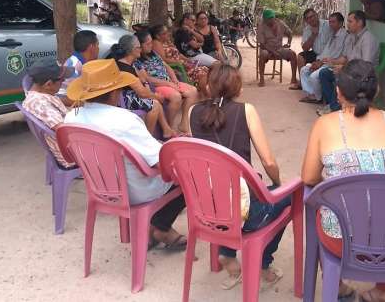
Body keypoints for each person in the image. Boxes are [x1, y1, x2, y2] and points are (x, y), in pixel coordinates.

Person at [301, 60, 385, 302]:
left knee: (321, 208)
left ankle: (339, 288)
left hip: (340, 243)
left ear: (338, 92)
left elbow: (309, 177)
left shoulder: (324, 125)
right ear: (378, 90)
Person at [65, 59, 187, 249]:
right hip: (136, 189)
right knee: (187, 175)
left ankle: (157, 228)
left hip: (100, 187)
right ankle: (160, 227)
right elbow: (159, 163)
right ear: (115, 92)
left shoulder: (71, 117)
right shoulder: (124, 120)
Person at [188, 64, 288, 290]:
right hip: (245, 212)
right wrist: (278, 184)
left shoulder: (191, 112)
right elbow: (269, 162)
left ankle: (227, 254)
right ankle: (263, 264)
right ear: (238, 89)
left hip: (207, 210)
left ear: (208, 86)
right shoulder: (246, 110)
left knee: (225, 192)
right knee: (290, 197)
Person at [110, 35, 178, 139]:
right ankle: (148, 138)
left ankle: (166, 130)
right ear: (133, 50)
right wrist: (156, 96)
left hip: (126, 96)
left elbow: (142, 83)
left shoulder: (126, 63)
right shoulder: (125, 68)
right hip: (123, 100)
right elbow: (142, 92)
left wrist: (147, 86)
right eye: (139, 47)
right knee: (154, 105)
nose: (141, 50)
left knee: (155, 102)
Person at [317, 11, 380, 115]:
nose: (347, 24)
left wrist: (344, 69)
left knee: (339, 77)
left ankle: (334, 108)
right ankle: (334, 104)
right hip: (350, 71)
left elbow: (365, 66)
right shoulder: (351, 36)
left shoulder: (368, 39)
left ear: (359, 23)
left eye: (350, 21)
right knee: (324, 73)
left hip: (362, 76)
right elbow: (345, 57)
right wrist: (333, 62)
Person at [135, 30, 198, 134]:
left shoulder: (153, 53)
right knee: (176, 96)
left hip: (168, 81)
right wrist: (168, 84)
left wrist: (175, 80)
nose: (151, 45)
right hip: (157, 85)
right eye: (148, 43)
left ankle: (183, 122)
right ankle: (169, 126)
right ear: (140, 45)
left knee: (193, 91)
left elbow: (167, 66)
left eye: (151, 42)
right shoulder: (138, 60)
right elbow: (147, 79)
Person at [23, 59, 75, 168]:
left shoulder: (37, 94)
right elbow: (65, 130)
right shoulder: (41, 105)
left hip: (65, 146)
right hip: (70, 155)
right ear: (48, 84)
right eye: (62, 80)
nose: (64, 81)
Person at [299, 12, 348, 104]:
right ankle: (312, 95)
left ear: (341, 23)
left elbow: (337, 56)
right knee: (304, 70)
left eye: (333, 22)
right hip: (323, 60)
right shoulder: (333, 35)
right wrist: (317, 61)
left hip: (333, 64)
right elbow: (325, 51)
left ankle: (319, 97)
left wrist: (321, 63)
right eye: (330, 22)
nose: (331, 24)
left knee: (314, 76)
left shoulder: (344, 36)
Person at [150, 24, 209, 93]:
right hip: (176, 66)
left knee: (205, 69)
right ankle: (203, 93)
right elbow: (163, 60)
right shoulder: (156, 43)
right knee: (201, 72)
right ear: (158, 36)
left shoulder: (167, 41)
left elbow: (178, 54)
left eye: (168, 31)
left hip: (182, 63)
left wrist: (188, 60)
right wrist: (180, 63)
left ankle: (204, 92)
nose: (168, 34)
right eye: (165, 33)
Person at [256, 9, 299, 88]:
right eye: (269, 19)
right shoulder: (261, 26)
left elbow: (290, 33)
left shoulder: (280, 23)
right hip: (267, 49)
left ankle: (293, 78)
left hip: (279, 49)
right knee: (263, 54)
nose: (271, 20)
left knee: (292, 54)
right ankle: (262, 79)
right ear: (264, 20)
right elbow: (262, 45)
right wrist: (272, 51)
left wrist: (288, 43)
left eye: (272, 18)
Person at [58, 30, 100, 106]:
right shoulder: (75, 65)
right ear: (91, 47)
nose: (98, 49)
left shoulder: (80, 62)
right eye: (97, 45)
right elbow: (63, 97)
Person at [293, 8, 332, 90]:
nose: (311, 19)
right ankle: (302, 82)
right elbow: (305, 48)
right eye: (308, 18)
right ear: (306, 21)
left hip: (329, 53)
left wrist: (321, 59)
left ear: (316, 15)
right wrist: (313, 36)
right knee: (300, 56)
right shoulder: (307, 29)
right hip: (316, 53)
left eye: (312, 16)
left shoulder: (328, 25)